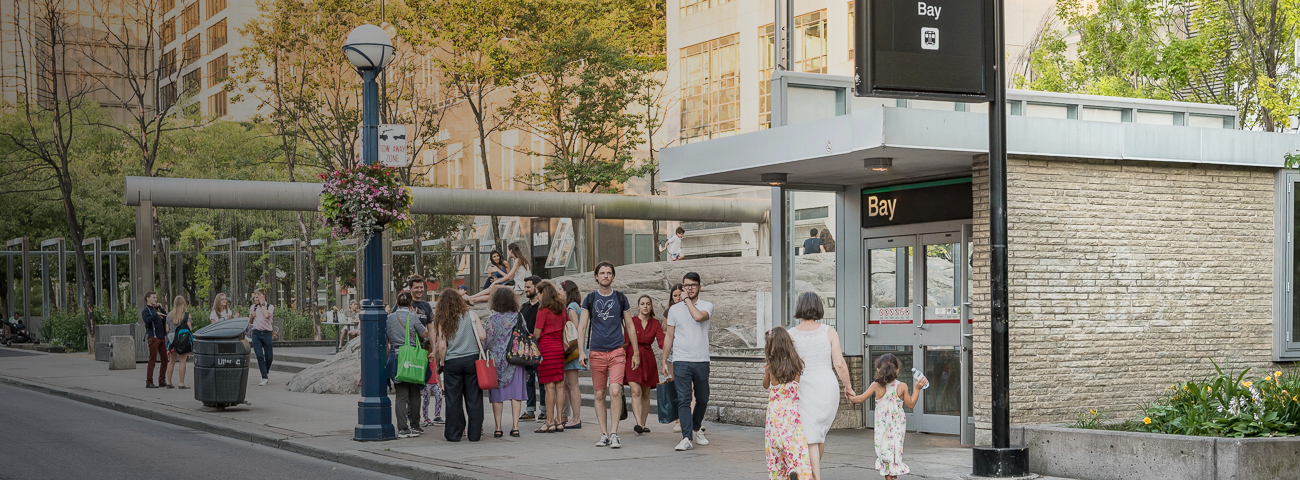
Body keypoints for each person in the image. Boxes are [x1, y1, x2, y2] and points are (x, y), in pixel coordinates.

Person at [788, 292, 857, 480]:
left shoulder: (790, 334)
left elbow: (785, 365)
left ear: (799, 308)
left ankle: (811, 475)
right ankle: (812, 474)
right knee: (817, 434)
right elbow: (840, 364)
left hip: (803, 386)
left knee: (811, 434)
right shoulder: (829, 331)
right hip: (827, 385)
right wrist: (848, 387)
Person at [577, 261, 641, 449]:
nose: (605, 276)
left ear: (613, 276)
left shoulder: (621, 298)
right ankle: (603, 433)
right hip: (596, 352)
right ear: (596, 276)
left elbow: (629, 325)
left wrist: (635, 352)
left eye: (609, 273)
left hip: (617, 351)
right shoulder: (590, 299)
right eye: (602, 273)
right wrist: (582, 351)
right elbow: (582, 326)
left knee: (614, 391)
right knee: (598, 394)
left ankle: (614, 433)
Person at [850, 354, 927, 480]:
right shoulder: (902, 386)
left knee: (885, 454)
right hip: (897, 428)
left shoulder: (876, 385)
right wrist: (917, 388)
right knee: (895, 454)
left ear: (878, 369)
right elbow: (911, 404)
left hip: (882, 427)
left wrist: (850, 397)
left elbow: (861, 398)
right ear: (897, 370)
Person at [662, 272, 714, 451]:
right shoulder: (674, 310)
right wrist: (663, 361)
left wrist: (687, 301)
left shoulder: (707, 305)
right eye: (686, 286)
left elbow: (698, 317)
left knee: (703, 398)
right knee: (684, 399)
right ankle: (686, 437)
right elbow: (669, 336)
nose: (689, 288)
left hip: (701, 359)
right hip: (681, 360)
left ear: (700, 286)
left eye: (692, 285)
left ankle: (695, 427)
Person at [432, 288, 486, 442]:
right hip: (472, 360)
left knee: (453, 400)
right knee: (474, 398)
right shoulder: (471, 315)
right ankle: (474, 434)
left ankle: (454, 434)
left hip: (452, 362)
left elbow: (442, 345)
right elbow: (482, 335)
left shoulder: (443, 320)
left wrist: (442, 362)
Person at [762, 326, 813, 480]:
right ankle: (793, 468)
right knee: (793, 444)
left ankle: (780, 474)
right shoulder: (796, 363)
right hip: (791, 411)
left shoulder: (771, 366)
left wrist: (767, 371)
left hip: (775, 413)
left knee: (776, 448)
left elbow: (765, 385)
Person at [483, 287, 526, 438]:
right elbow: (525, 334)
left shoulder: (492, 319)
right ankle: (515, 427)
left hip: (496, 360)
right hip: (515, 358)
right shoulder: (518, 316)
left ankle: (498, 428)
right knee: (516, 394)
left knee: (497, 395)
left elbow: (488, 340)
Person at [387, 291, 431, 438]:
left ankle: (402, 429)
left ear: (397, 303)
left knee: (400, 396)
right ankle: (415, 425)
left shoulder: (390, 318)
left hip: (397, 359)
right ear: (411, 303)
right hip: (412, 359)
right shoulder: (412, 316)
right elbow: (425, 334)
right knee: (415, 394)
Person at [624, 295, 664, 434]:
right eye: (642, 304)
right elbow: (625, 341)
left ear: (651, 306)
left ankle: (643, 423)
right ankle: (638, 424)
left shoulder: (655, 323)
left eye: (648, 304)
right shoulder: (631, 321)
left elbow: (661, 342)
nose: (645, 306)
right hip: (632, 357)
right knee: (636, 391)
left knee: (646, 394)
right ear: (638, 306)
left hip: (648, 359)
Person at [408, 275, 444, 429]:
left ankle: (418, 420)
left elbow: (431, 328)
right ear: (410, 288)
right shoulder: (404, 304)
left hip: (424, 351)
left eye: (421, 287)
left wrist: (434, 348)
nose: (419, 290)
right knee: (411, 387)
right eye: (416, 287)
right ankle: (411, 419)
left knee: (421, 387)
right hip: (410, 351)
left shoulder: (426, 306)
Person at [533, 281, 568, 433]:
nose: (537, 296)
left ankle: (549, 421)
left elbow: (537, 333)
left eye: (538, 293)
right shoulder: (561, 309)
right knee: (559, 386)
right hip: (559, 348)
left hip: (546, 350)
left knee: (549, 388)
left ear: (543, 293)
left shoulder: (543, 311)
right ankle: (559, 421)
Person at [465, 243, 530, 305]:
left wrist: (496, 281)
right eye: (494, 257)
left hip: (519, 287)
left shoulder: (517, 260)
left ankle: (471, 298)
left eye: (508, 250)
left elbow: (509, 276)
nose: (507, 252)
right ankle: (472, 298)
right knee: (494, 291)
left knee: (494, 288)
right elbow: (511, 276)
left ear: (511, 251)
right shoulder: (521, 259)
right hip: (518, 286)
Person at [518, 276, 545, 421]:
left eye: (528, 287)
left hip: (540, 348)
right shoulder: (524, 307)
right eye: (525, 287)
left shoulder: (543, 306)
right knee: (528, 380)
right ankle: (529, 410)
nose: (526, 289)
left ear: (536, 287)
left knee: (542, 380)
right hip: (526, 350)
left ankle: (544, 409)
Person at [560, 280, 586, 429]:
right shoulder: (576, 306)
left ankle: (576, 418)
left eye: (561, 290)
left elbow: (576, 330)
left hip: (573, 351)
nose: (559, 292)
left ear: (566, 292)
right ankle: (573, 417)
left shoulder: (571, 307)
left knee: (573, 384)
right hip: (576, 350)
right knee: (568, 384)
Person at [665, 284, 685, 433]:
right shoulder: (669, 311)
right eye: (675, 296)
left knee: (691, 388)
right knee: (677, 384)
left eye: (680, 295)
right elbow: (666, 332)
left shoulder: (689, 308)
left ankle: (690, 418)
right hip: (674, 351)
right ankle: (678, 420)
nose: (678, 298)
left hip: (688, 350)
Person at [247, 288, 276, 386]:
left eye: (258, 297)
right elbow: (250, 322)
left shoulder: (269, 306)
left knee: (269, 357)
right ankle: (264, 377)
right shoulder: (253, 307)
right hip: (256, 333)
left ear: (263, 296)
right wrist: (251, 316)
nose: (256, 299)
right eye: (255, 297)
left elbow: (266, 316)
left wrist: (263, 303)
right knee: (259, 356)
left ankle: (265, 371)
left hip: (267, 333)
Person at [165, 296, 194, 390]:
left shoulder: (169, 315)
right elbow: (190, 328)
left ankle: (168, 382)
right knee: (182, 361)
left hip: (172, 339)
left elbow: (167, 329)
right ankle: (181, 382)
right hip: (182, 339)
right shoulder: (186, 315)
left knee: (171, 361)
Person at [141, 291, 169, 388]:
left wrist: (161, 309)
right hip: (153, 337)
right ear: (148, 299)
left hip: (161, 337)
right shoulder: (146, 311)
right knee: (152, 359)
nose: (155, 299)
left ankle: (162, 380)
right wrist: (155, 314)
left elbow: (166, 318)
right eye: (153, 297)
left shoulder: (156, 309)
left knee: (165, 359)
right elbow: (147, 321)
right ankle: (149, 382)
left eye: (156, 297)